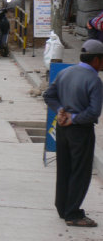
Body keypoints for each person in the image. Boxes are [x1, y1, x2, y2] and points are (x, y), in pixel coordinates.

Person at [43, 39, 103, 228]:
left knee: (65, 168)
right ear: (96, 60)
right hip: (80, 131)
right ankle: (73, 213)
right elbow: (94, 112)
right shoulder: (94, 80)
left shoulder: (65, 72)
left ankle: (63, 207)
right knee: (80, 172)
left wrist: (60, 110)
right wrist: (73, 118)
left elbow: (48, 95)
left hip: (62, 130)